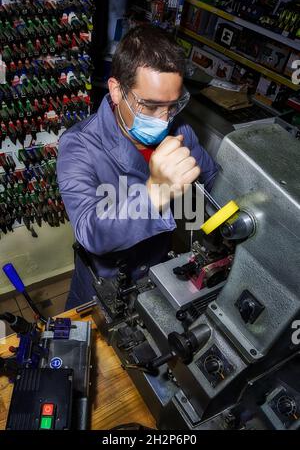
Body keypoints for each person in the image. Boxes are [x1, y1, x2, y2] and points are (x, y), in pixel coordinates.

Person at [57, 24, 219, 310]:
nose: (164, 119)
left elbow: (213, 183)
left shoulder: (181, 131)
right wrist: (154, 193)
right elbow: (90, 231)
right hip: (103, 286)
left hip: (159, 272)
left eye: (172, 105)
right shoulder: (79, 146)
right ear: (117, 90)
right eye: (150, 106)